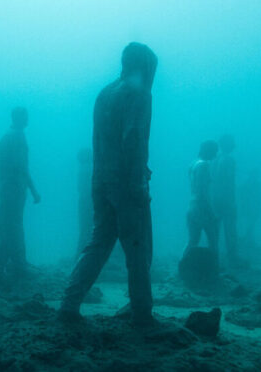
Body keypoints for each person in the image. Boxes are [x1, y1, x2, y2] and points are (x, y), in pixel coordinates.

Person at [60, 42, 159, 329]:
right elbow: (133, 138)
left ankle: (69, 305)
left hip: (101, 179)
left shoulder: (104, 93)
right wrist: (139, 182)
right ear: (145, 65)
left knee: (98, 243)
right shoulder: (139, 94)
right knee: (139, 249)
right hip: (127, 183)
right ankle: (142, 313)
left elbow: (105, 141)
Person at [0, 107, 41, 279]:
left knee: (9, 227)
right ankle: (18, 265)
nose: (27, 119)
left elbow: (2, 168)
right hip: (13, 189)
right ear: (19, 118)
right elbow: (21, 167)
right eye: (25, 116)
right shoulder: (15, 137)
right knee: (14, 228)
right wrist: (33, 190)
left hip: (10, 188)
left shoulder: (10, 136)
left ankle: (0, 265)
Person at [184, 141, 219, 268]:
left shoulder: (193, 164)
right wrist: (212, 213)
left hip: (192, 206)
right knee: (213, 241)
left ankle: (182, 267)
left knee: (192, 241)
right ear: (209, 151)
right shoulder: (204, 166)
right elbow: (203, 193)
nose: (215, 155)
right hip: (202, 209)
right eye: (214, 151)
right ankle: (214, 269)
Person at [211, 134, 239, 266]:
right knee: (230, 229)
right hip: (226, 199)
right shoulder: (229, 160)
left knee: (214, 230)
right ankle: (232, 258)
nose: (234, 145)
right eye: (232, 143)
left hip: (214, 198)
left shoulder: (214, 159)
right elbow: (229, 182)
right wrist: (232, 201)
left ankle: (213, 258)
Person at [238, 169, 261, 249]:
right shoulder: (246, 185)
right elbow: (242, 196)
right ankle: (248, 239)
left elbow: (258, 197)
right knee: (249, 224)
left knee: (251, 224)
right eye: (254, 175)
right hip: (249, 207)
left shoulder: (253, 184)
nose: (255, 176)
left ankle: (248, 239)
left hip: (253, 207)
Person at [75, 148, 93, 254]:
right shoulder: (89, 169)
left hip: (83, 201)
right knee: (87, 229)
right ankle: (81, 255)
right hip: (89, 202)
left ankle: (80, 254)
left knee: (84, 229)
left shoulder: (83, 169)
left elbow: (80, 188)